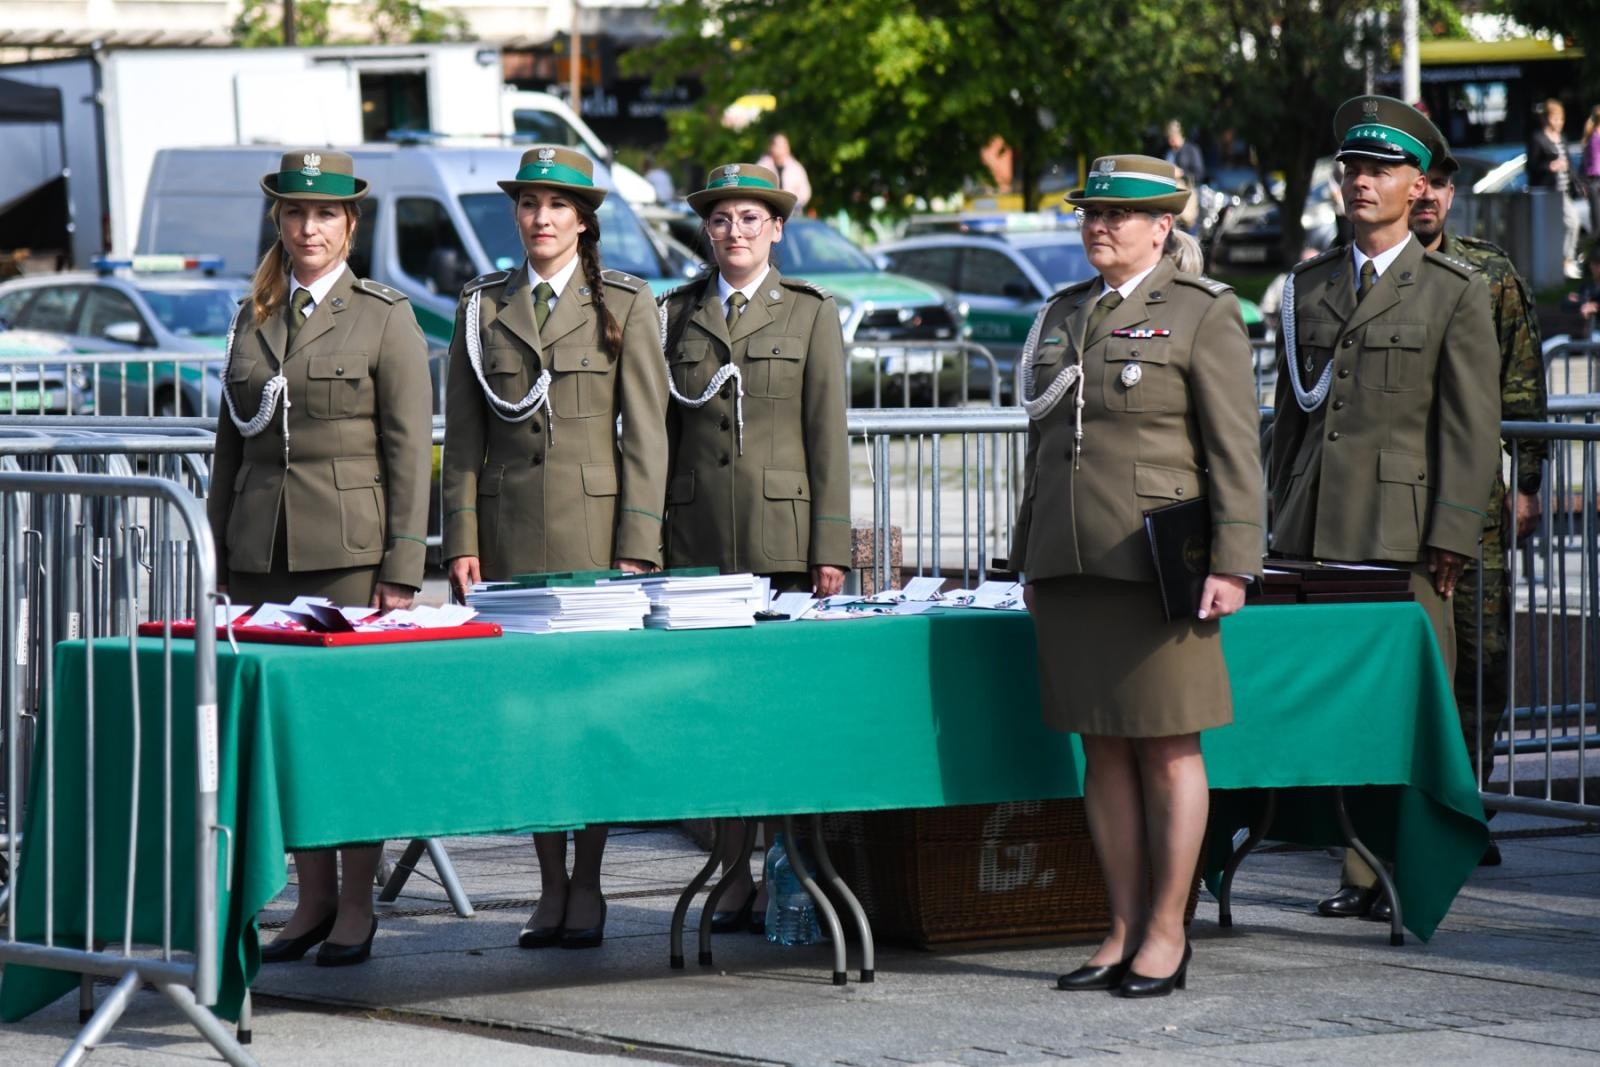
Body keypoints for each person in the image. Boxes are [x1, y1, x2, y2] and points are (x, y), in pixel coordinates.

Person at [1010, 155, 1265, 997]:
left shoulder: (1201, 312)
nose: (1100, 226)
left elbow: (1234, 448)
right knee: (1102, 750)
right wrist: (1030, 555)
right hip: (1076, 564)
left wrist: (1233, 561)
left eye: (1121, 215)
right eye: (1090, 212)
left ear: (1163, 227)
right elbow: (1045, 451)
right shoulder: (1063, 313)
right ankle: (1119, 926)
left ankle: (1167, 930)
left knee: (1168, 748)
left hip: (1160, 569)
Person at [1269, 97, 1501, 922]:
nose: (1361, 182)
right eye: (1351, 169)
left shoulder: (1452, 292)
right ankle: (1359, 860)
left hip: (1401, 540)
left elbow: (1472, 429)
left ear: (1417, 186)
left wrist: (1451, 532)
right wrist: (1269, 525)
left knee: (1408, 709)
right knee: (1331, 711)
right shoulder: (1308, 286)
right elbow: (1290, 424)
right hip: (1311, 533)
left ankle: (1402, 866)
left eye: (1380, 170)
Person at [440, 144, 670, 950]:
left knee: (591, 714)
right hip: (507, 536)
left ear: (583, 219)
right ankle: (547, 886)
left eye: (557, 205)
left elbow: (647, 432)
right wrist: (460, 537)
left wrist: (639, 540)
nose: (541, 218)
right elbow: (462, 438)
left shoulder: (626, 302)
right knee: (530, 716)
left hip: (595, 534)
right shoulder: (481, 306)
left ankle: (592, 881)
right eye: (529, 204)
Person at [208, 149, 432, 967]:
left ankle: (357, 904)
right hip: (261, 550)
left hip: (348, 553)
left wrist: (403, 563)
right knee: (289, 737)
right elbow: (231, 446)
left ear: (350, 225)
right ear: (279, 222)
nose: (309, 228)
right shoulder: (253, 314)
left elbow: (409, 451)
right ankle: (311, 897)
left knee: (351, 734)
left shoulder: (384, 316)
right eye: (296, 214)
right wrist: (219, 547)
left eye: (325, 215)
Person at [657, 161, 850, 930]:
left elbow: (826, 437)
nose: (733, 232)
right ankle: (728, 869)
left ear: (777, 227)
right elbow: (661, 437)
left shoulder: (808, 314)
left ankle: (784, 870)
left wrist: (828, 546)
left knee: (778, 713)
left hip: (781, 542)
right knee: (713, 713)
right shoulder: (676, 313)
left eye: (749, 218)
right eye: (720, 219)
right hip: (698, 540)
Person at [1410, 147, 1548, 827]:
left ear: (1451, 190)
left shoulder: (1489, 271)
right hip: (1393, 500)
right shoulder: (1369, 274)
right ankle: (1394, 816)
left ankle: (1465, 811)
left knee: (1482, 660)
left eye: (1440, 182)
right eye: (1420, 183)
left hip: (1476, 506)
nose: (1428, 195)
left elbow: (1522, 385)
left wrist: (1526, 485)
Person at [1528, 99, 1582, 280]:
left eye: (1561, 119)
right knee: (1564, 225)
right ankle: (1562, 263)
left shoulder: (1563, 138)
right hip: (1548, 192)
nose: (1559, 123)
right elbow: (1532, 166)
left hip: (1564, 190)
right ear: (1546, 119)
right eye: (1555, 119)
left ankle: (1566, 261)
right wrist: (1550, 166)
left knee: (1573, 223)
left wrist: (1578, 182)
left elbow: (1569, 164)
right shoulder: (1538, 138)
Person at [757, 133, 812, 213]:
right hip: (768, 211)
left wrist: (796, 203)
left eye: (783, 145)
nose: (781, 148)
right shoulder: (762, 166)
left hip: (792, 213)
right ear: (771, 147)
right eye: (778, 145)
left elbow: (805, 191)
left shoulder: (796, 168)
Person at [1581, 106, 1600, 245]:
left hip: (1592, 181)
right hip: (1595, 180)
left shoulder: (1590, 136)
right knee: (1597, 227)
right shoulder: (1595, 137)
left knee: (1596, 224)